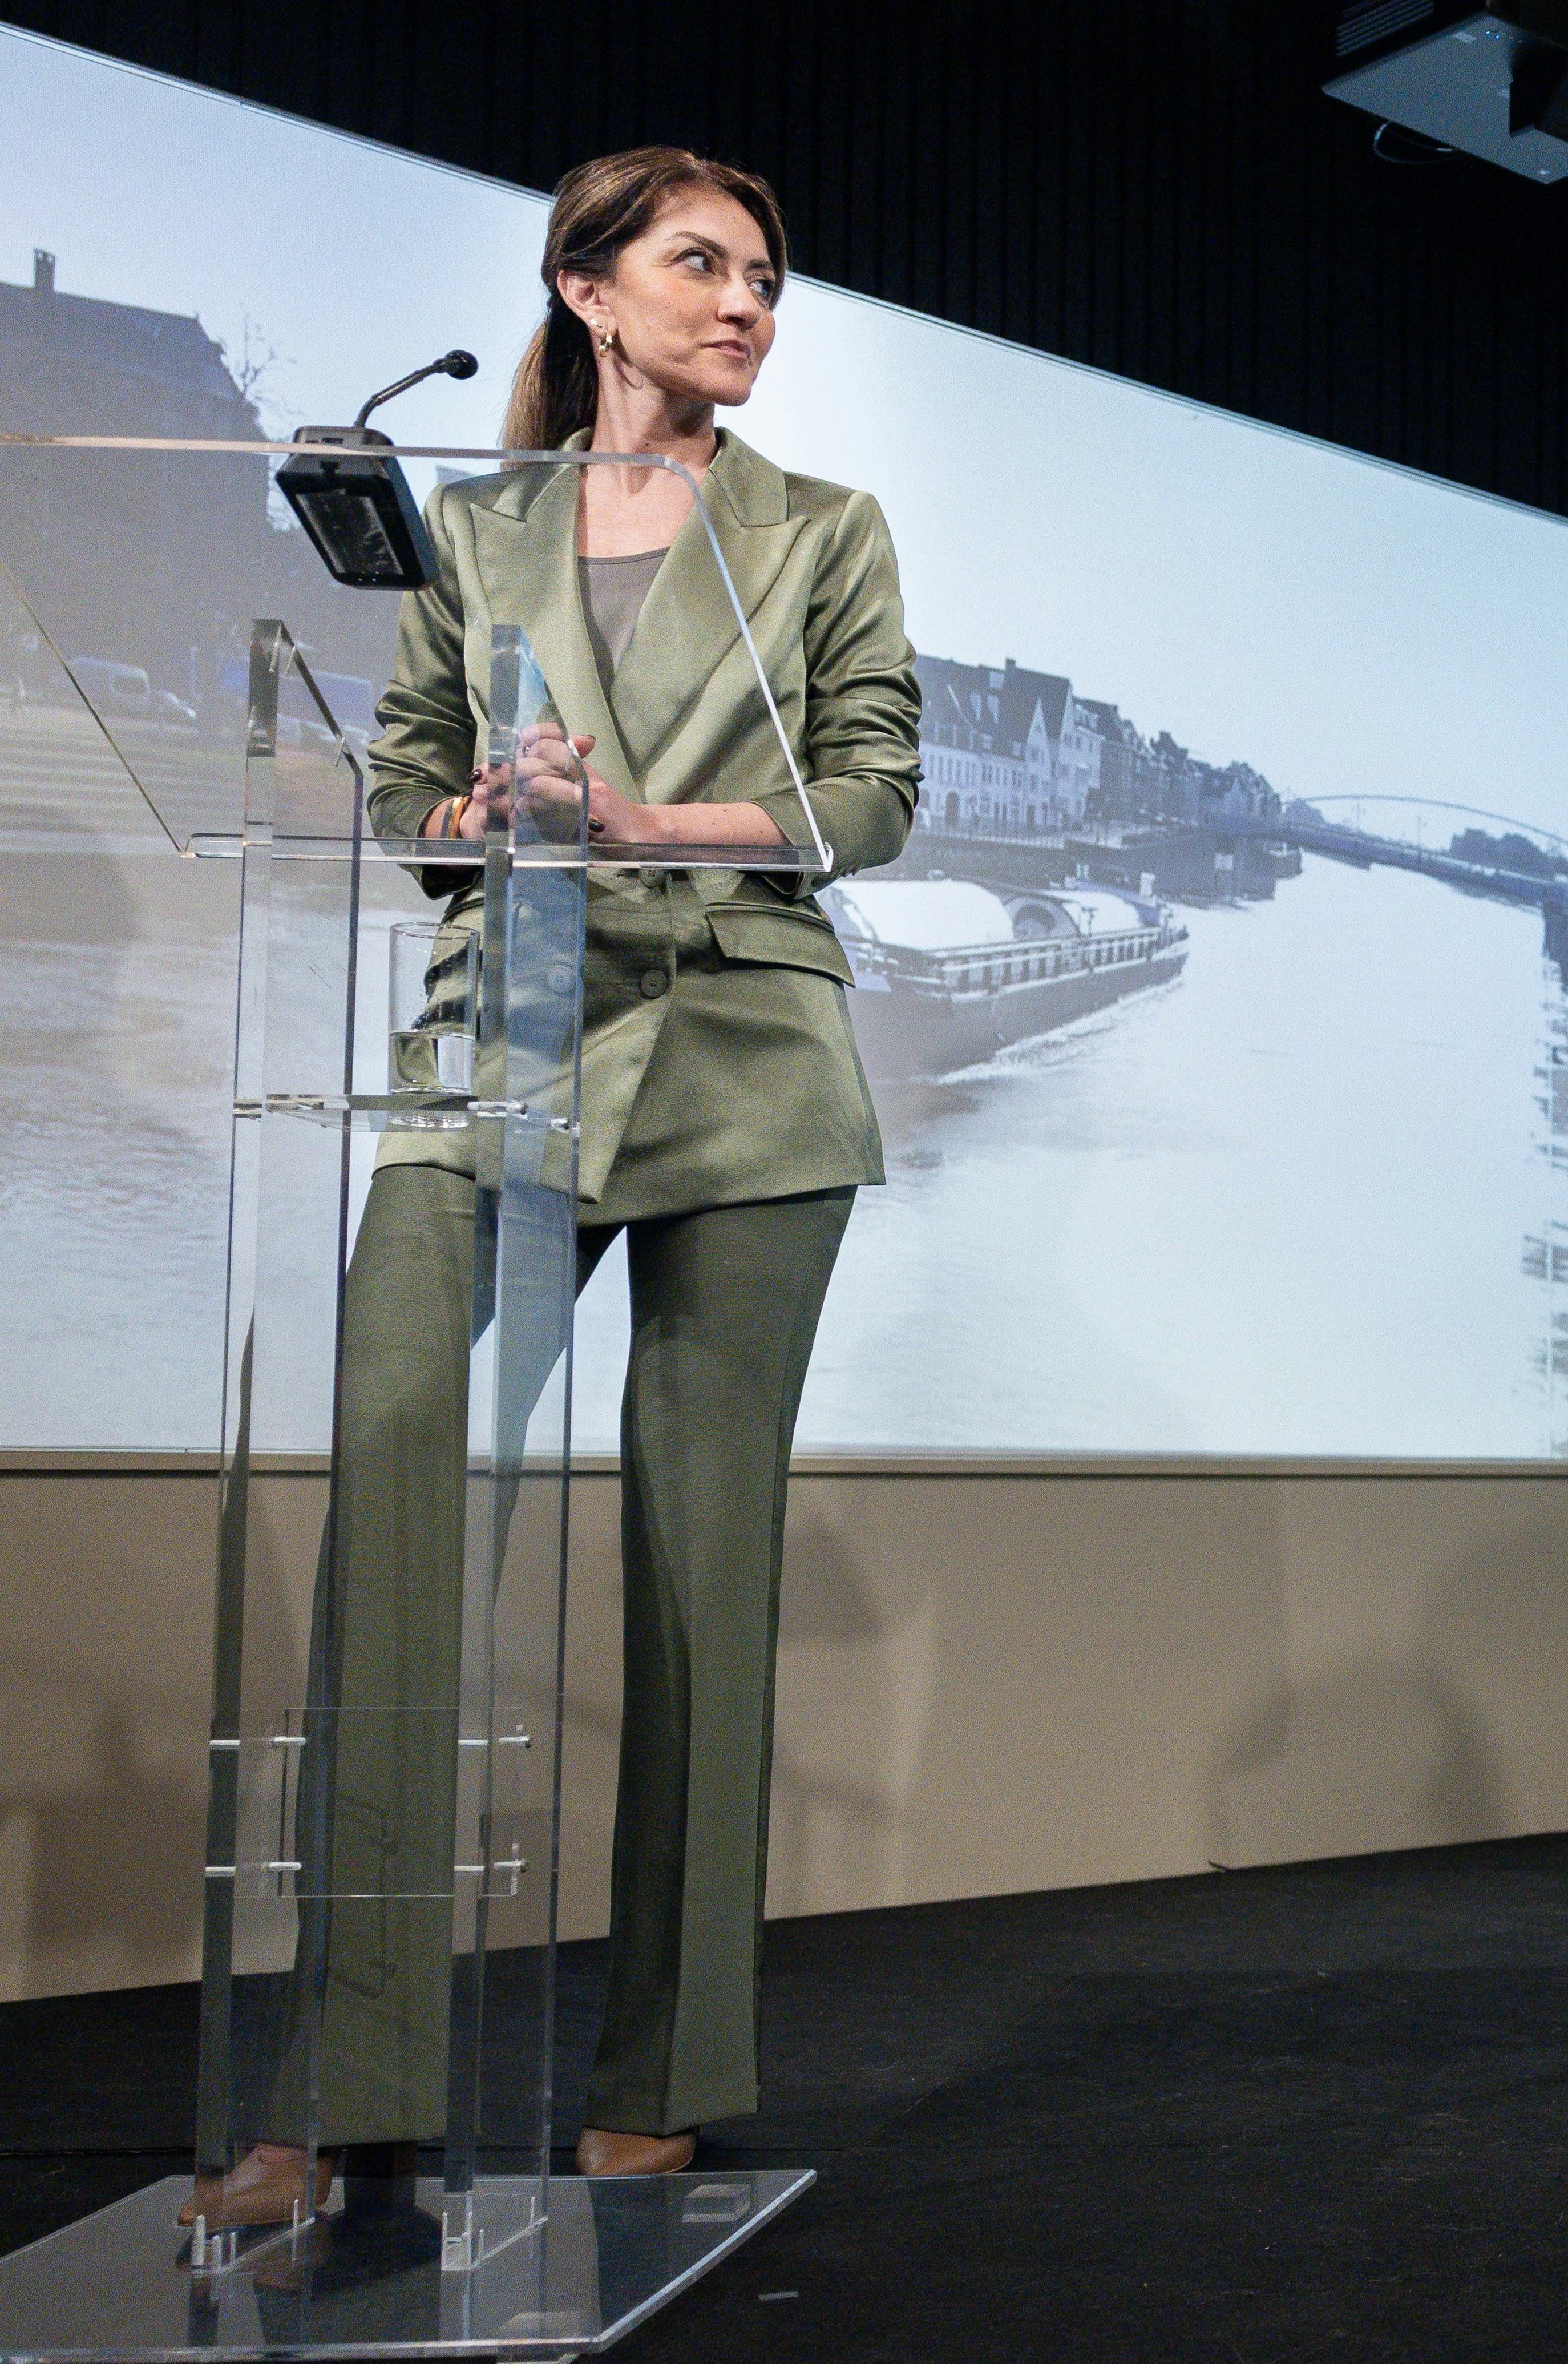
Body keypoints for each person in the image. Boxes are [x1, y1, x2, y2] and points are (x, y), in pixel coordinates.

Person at [184, 146, 918, 2226]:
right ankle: (347, 2096)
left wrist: (637, 817)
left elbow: (864, 794)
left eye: (767, 277)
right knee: (392, 1535)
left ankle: (666, 2069)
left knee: (703, 1580)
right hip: (489, 1057)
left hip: (751, 1071)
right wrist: (482, 802)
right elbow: (417, 775)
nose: (746, 304)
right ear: (589, 291)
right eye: (702, 266)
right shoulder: (478, 528)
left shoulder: (825, 531)